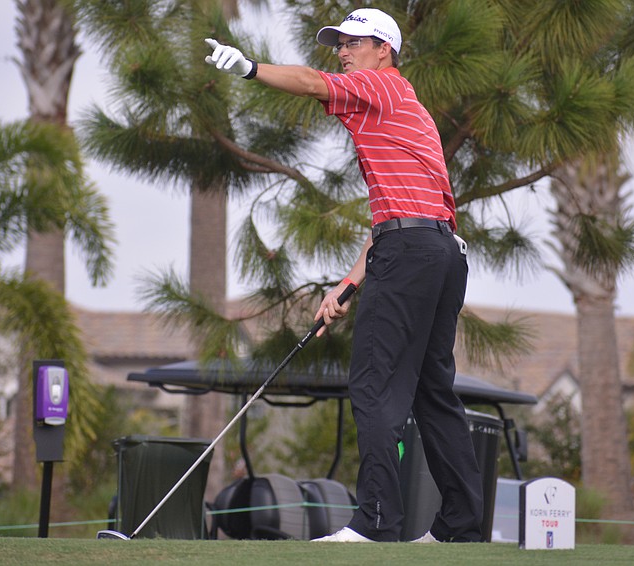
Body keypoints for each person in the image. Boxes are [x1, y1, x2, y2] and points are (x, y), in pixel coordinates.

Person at [205, 8, 482, 543]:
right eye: (340, 43)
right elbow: (403, 220)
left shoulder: (379, 86)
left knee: (375, 388)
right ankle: (461, 528)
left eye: (354, 41)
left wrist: (249, 68)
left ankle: (377, 522)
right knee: (432, 392)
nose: (342, 51)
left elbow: (310, 82)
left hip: (413, 251)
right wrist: (349, 284)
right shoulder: (410, 110)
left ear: (384, 50)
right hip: (441, 252)